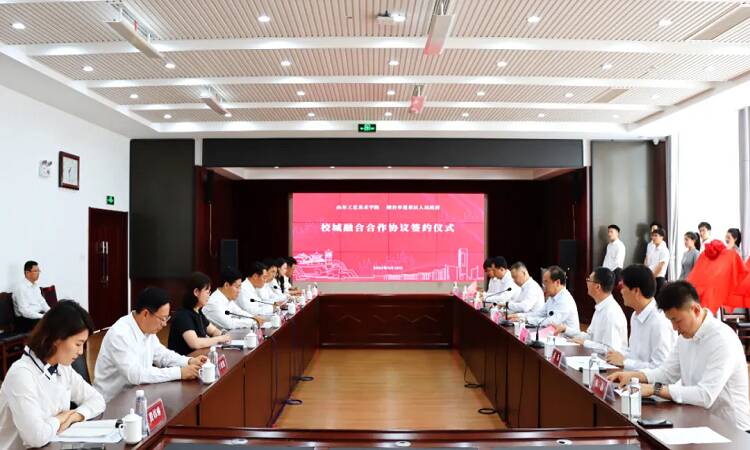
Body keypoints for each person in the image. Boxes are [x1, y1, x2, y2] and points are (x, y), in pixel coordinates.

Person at [608, 281, 750, 431]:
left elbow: (705, 395)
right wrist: (633, 376)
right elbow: (667, 374)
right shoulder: (685, 336)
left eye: (677, 320)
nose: (674, 328)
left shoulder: (722, 339)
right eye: (670, 321)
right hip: (698, 420)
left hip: (732, 430)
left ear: (695, 310)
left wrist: (654, 389)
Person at [0, 301, 105, 449]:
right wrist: (60, 418)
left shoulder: (62, 368)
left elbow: (98, 400)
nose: (81, 352)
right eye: (78, 344)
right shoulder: (21, 375)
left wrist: (74, 416)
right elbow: (36, 437)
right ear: (57, 338)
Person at [94, 288, 206, 402]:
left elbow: (162, 355)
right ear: (146, 314)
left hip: (139, 395)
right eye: (162, 319)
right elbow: (135, 375)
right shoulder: (120, 334)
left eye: (167, 318)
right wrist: (179, 373)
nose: (164, 324)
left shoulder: (147, 329)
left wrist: (188, 361)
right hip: (112, 403)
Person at [606, 264, 675, 369]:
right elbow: (635, 355)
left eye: (623, 287)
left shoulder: (659, 322)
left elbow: (660, 368)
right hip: (633, 376)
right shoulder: (635, 315)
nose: (621, 291)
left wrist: (625, 361)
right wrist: (617, 355)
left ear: (636, 291)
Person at [558, 267, 627, 352]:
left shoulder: (611, 313)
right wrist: (565, 329)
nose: (586, 283)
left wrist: (585, 343)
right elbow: (590, 336)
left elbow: (611, 350)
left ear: (597, 287)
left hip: (606, 360)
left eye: (589, 280)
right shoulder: (601, 306)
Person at [168, 272, 231, 356]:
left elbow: (213, 331)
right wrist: (219, 339)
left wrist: (222, 335)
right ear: (196, 292)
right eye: (207, 292)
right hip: (184, 361)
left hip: (198, 358)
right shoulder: (182, 315)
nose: (209, 295)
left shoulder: (198, 311)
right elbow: (195, 343)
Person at [511, 266, 579, 332]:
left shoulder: (565, 300)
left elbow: (550, 322)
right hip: (552, 334)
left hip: (567, 338)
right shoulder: (552, 297)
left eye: (546, 282)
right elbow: (539, 313)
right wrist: (519, 316)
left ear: (557, 283)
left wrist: (526, 320)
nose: (544, 286)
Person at [12, 260, 51, 332]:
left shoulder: (36, 286)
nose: (38, 273)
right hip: (25, 320)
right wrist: (43, 316)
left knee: (57, 318)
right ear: (27, 273)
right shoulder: (20, 288)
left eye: (38, 271)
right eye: (36, 271)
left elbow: (42, 302)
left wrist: (51, 313)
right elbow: (24, 311)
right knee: (50, 324)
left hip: (37, 316)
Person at [645, 227, 669, 294]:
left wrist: (652, 277)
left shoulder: (664, 250)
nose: (653, 238)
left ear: (662, 237)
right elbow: (648, 262)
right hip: (651, 277)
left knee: (658, 298)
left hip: (658, 278)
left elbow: (660, 266)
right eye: (652, 236)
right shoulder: (652, 249)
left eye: (656, 236)